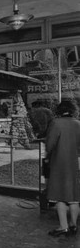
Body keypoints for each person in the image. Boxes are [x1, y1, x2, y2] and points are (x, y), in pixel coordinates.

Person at [45, 100, 80, 237]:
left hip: (59, 163)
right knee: (73, 196)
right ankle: (74, 225)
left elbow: (50, 145)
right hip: (76, 163)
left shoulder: (56, 123)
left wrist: (48, 154)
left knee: (59, 195)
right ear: (72, 110)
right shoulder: (78, 123)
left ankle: (63, 226)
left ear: (59, 110)